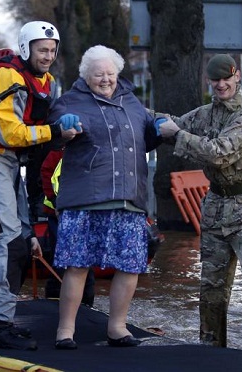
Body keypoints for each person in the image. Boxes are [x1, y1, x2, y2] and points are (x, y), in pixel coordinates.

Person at [0, 21, 80, 350]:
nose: (48, 56)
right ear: (26, 48)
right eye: (42, 50)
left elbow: (39, 122)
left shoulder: (45, 81)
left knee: (21, 240)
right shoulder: (6, 75)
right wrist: (55, 132)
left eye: (53, 51)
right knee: (9, 241)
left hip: (8, 163)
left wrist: (63, 123)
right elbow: (8, 133)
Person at [156, 54, 242, 351]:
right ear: (209, 81)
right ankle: (210, 347)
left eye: (227, 78)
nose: (221, 84)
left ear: (237, 76)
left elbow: (219, 153)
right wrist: (135, 112)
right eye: (216, 80)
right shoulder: (204, 114)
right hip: (215, 206)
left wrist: (178, 135)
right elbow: (173, 124)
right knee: (211, 285)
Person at [48, 45, 161, 350]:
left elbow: (146, 136)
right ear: (86, 76)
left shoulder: (133, 102)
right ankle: (65, 330)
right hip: (84, 199)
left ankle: (117, 327)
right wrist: (63, 129)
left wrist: (160, 129)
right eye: (99, 74)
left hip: (128, 199)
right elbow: (54, 131)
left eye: (111, 73)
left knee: (129, 264)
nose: (106, 79)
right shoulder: (70, 101)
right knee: (77, 265)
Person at [40, 148, 95, 306]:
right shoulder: (59, 153)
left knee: (86, 265)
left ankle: (86, 302)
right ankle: (55, 299)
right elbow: (47, 175)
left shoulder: (89, 153)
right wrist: (55, 202)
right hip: (58, 214)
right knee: (60, 262)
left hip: (83, 213)